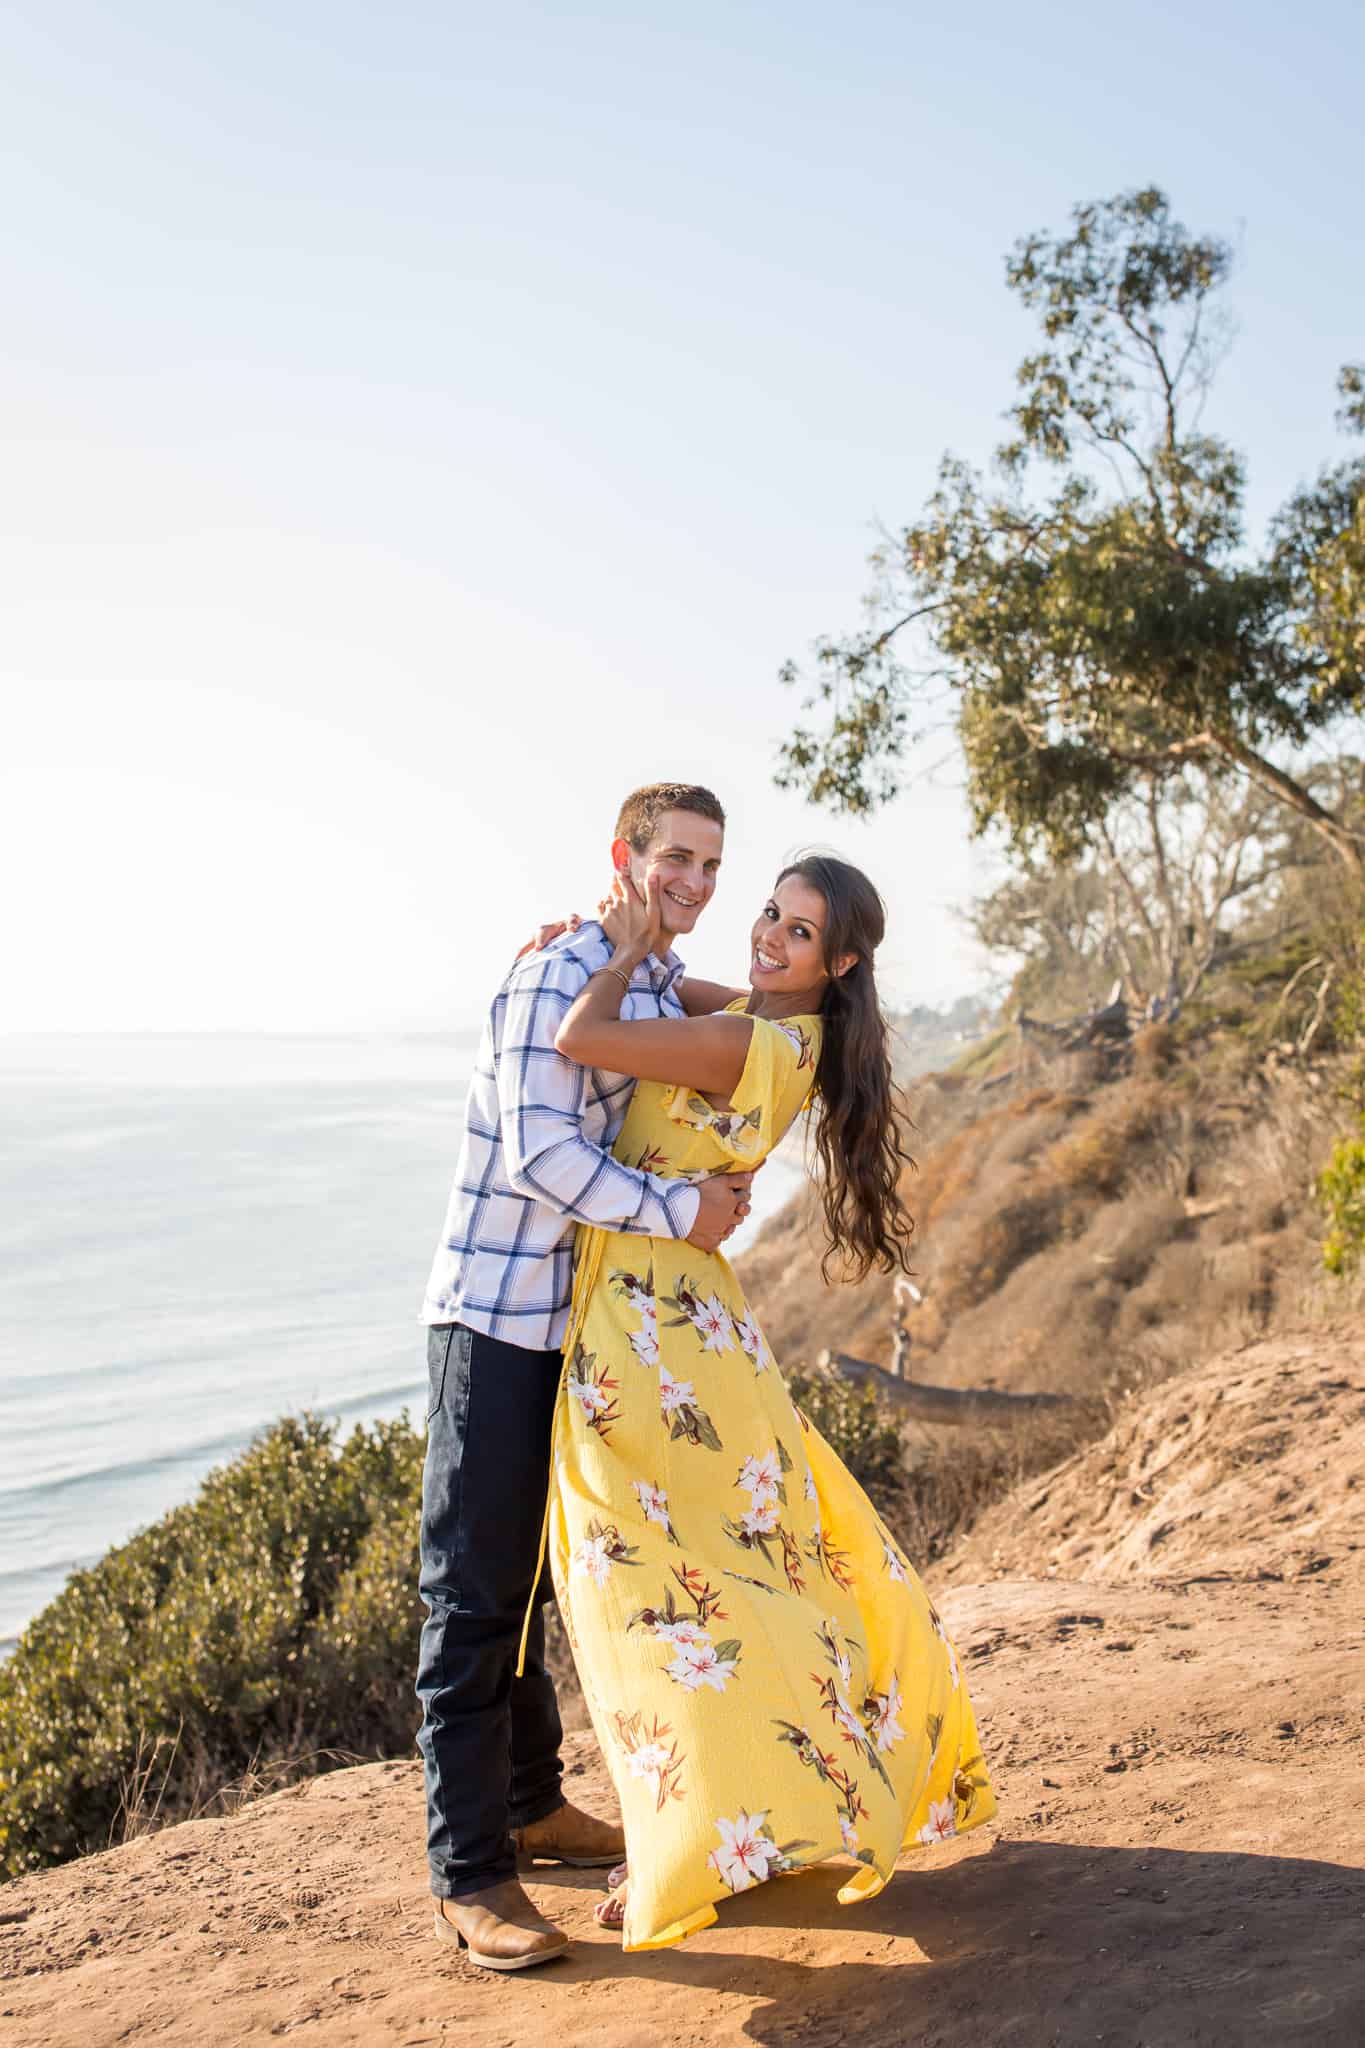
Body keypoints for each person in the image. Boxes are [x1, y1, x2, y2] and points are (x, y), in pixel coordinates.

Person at [537, 851, 995, 1952]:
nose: (768, 936)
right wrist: (597, 942)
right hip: (680, 1322)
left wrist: (619, 949)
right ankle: (725, 1824)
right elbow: (676, 991)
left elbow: (581, 1039)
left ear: (838, 960)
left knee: (642, 1592)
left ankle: (692, 1838)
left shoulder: (752, 1038)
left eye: (799, 932)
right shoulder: (782, 1024)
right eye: (768, 915)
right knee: (717, 1583)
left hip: (650, 1328)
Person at [417, 782, 757, 1973]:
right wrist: (688, 1210)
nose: (697, 883)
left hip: (582, 1334)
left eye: (713, 864)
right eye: (677, 857)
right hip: (496, 1327)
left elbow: (723, 1022)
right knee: (472, 1597)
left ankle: (531, 1801)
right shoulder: (548, 979)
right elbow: (543, 1155)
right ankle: (471, 1876)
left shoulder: (644, 977)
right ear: (626, 855)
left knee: (547, 1587)